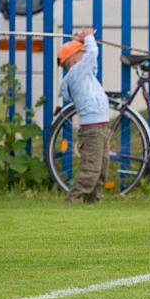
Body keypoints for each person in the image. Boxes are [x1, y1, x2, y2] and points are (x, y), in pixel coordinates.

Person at [58, 27, 110, 203]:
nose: (85, 53)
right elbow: (92, 54)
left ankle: (92, 201)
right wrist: (88, 38)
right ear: (73, 58)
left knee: (102, 167)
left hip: (101, 126)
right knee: (91, 169)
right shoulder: (75, 74)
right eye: (82, 52)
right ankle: (74, 199)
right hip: (92, 129)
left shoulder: (85, 74)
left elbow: (91, 60)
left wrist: (82, 41)